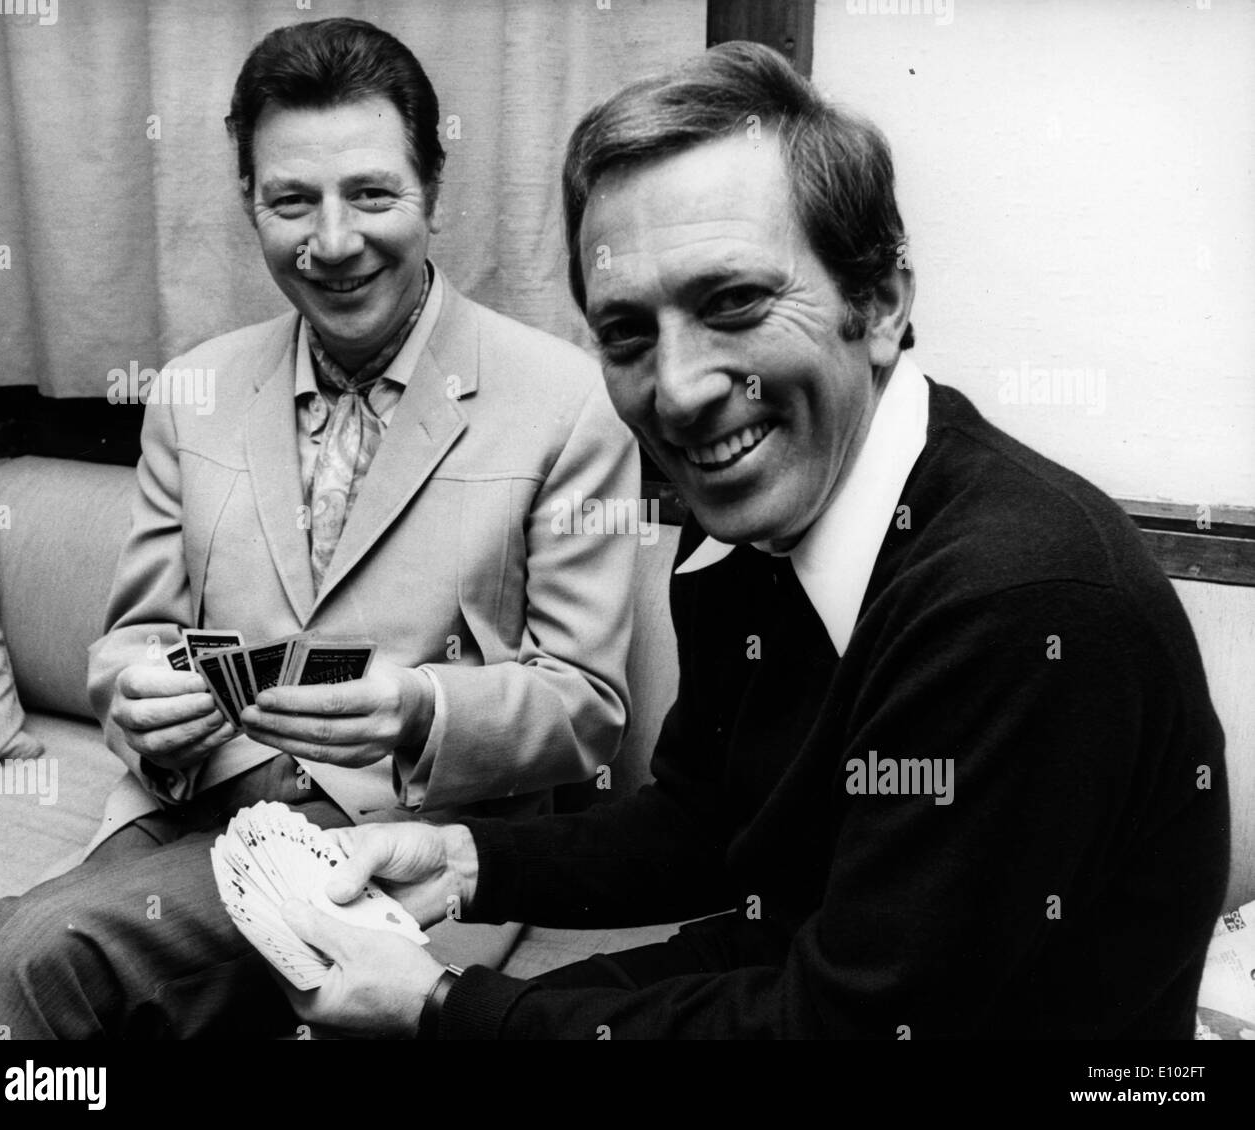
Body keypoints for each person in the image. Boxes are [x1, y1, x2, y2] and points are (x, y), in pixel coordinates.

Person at [275, 40, 1231, 1040]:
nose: (681, 389)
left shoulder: (1020, 602)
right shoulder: (758, 525)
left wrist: (437, 1008)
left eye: (733, 301)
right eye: (628, 334)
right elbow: (708, 821)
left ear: (882, 302)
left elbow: (850, 1025)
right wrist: (467, 861)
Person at [0, 18, 637, 1039]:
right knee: (29, 947)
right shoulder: (193, 390)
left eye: (371, 193)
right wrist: (135, 700)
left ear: (432, 195)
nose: (332, 241)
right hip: (186, 815)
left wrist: (418, 711)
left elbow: (587, 707)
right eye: (290, 200)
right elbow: (132, 637)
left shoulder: (568, 400)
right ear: (248, 207)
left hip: (395, 844)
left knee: (31, 949)